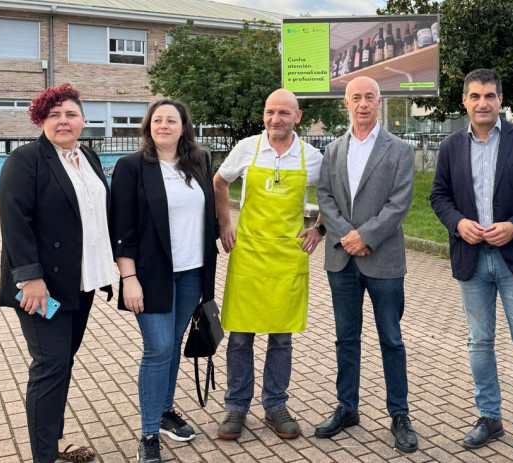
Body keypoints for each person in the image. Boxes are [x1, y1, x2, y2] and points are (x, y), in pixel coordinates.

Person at [429, 69, 513, 463]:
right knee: (479, 342)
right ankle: (490, 417)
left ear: (501, 100)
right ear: (464, 101)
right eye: (475, 96)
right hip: (471, 259)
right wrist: (458, 223)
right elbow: (439, 196)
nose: (483, 102)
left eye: (490, 96)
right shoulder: (450, 146)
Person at [0, 83, 115, 463]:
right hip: (41, 289)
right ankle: (44, 456)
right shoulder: (26, 159)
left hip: (81, 284)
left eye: (70, 114)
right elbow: (16, 222)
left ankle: (54, 444)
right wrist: (30, 279)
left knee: (61, 365)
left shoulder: (90, 158)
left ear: (83, 120)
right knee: (49, 369)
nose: (63, 121)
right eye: (53, 115)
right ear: (40, 119)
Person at [109, 99, 217, 463]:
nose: (164, 125)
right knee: (157, 349)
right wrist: (129, 278)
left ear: (184, 126)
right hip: (150, 275)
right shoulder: (131, 167)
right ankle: (149, 433)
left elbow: (211, 210)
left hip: (192, 272)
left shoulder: (199, 163)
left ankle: (166, 411)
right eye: (158, 120)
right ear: (148, 126)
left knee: (171, 345)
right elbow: (121, 227)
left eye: (172, 120)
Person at [213, 88, 323, 440]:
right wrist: (225, 224)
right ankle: (236, 408)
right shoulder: (247, 148)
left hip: (287, 259)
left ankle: (276, 406)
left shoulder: (312, 156)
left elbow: (336, 196)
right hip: (248, 254)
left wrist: (319, 229)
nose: (276, 119)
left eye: (284, 113)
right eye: (270, 112)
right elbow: (220, 182)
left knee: (281, 339)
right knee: (240, 337)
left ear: (297, 117)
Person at [315, 76, 418, 453]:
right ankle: (347, 407)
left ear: (379, 102)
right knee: (346, 338)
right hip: (342, 260)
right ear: (346, 103)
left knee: (391, 338)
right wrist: (347, 236)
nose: (362, 103)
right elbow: (325, 197)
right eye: (356, 97)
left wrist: (366, 236)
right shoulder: (332, 150)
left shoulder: (400, 150)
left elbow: (400, 203)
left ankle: (400, 414)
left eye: (369, 97)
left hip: (384, 259)